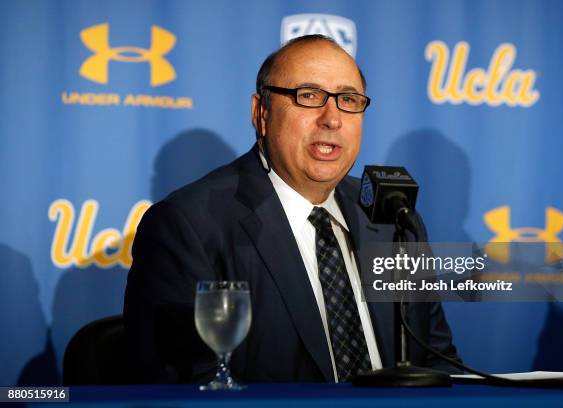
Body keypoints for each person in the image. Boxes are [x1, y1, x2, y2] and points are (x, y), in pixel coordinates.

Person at [123, 34, 461, 384]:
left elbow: (438, 362)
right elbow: (185, 384)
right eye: (309, 96)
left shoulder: (394, 219)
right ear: (261, 113)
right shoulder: (188, 225)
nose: (332, 119)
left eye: (348, 99)